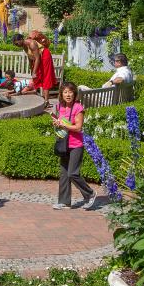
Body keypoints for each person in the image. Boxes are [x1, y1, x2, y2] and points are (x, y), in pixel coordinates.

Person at [50, 82, 96, 210]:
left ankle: (90, 194)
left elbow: (78, 128)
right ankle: (64, 201)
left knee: (72, 173)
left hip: (76, 145)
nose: (68, 95)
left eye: (70, 92)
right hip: (63, 143)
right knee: (64, 173)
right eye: (65, 92)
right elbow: (62, 124)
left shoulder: (78, 108)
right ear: (61, 94)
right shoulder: (60, 107)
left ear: (74, 94)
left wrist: (64, 125)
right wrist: (56, 123)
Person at [29, 31, 58, 102]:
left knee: (46, 76)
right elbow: (30, 56)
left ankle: (46, 100)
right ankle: (41, 96)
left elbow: (46, 44)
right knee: (39, 76)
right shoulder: (28, 41)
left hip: (44, 56)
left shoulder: (36, 38)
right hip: (39, 56)